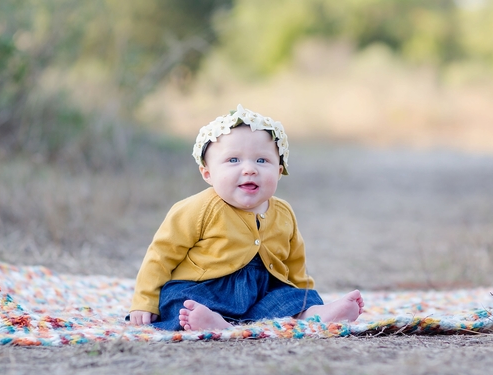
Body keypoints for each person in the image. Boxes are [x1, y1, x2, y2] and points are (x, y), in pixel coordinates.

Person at [128, 105, 364, 331]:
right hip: (205, 289)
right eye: (233, 160)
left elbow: (295, 263)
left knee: (293, 300)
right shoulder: (196, 209)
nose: (250, 169)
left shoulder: (283, 213)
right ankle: (211, 320)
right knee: (181, 304)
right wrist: (145, 300)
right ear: (208, 173)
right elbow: (161, 255)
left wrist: (304, 297)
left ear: (279, 171)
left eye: (262, 160)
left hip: (261, 294)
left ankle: (317, 314)